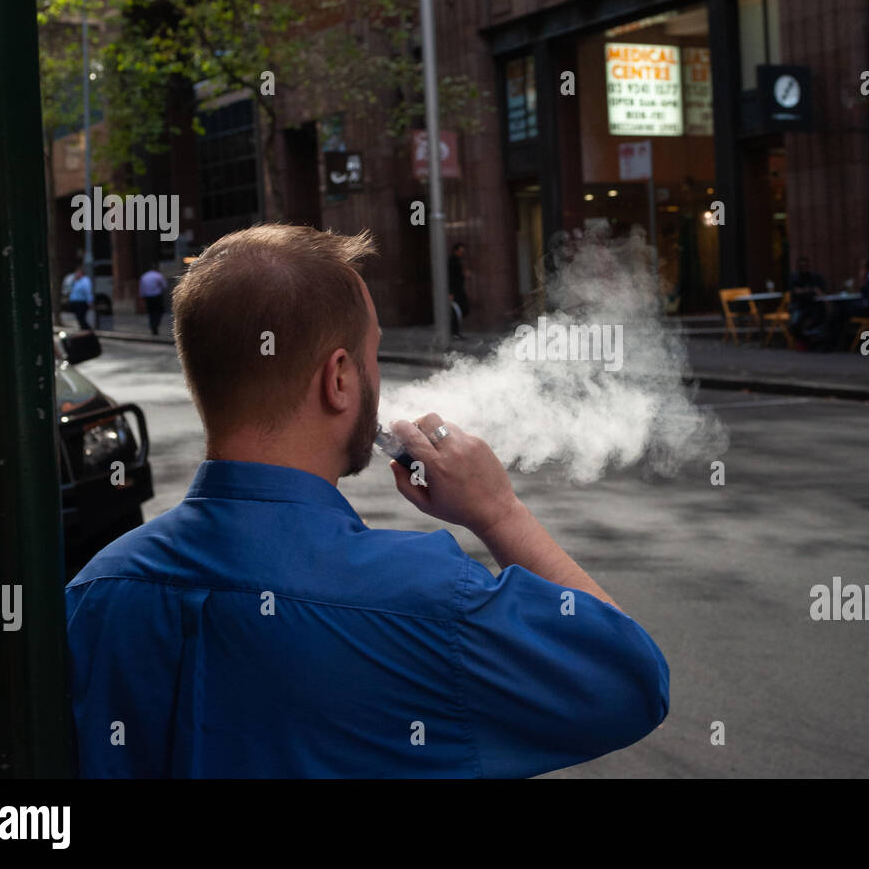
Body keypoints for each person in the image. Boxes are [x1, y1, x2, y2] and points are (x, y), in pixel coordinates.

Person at [65, 223, 668, 778]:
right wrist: (498, 509)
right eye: (372, 355)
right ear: (339, 379)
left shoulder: (91, 593)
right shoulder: (425, 598)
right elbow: (630, 680)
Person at [139, 261, 169, 335]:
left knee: (151, 312)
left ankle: (152, 324)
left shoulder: (144, 276)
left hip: (148, 296)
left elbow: (142, 288)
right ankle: (156, 324)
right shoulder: (158, 276)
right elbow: (164, 286)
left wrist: (142, 296)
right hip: (157, 296)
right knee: (159, 311)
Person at [448, 242, 470, 339]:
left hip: (459, 289)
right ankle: (454, 332)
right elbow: (451, 278)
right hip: (455, 290)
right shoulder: (452, 261)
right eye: (460, 251)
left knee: (463, 309)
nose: (462, 253)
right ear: (455, 251)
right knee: (456, 310)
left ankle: (454, 331)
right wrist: (450, 292)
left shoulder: (457, 261)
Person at [67, 263, 92, 329]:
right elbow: (69, 288)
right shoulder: (75, 281)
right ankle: (83, 330)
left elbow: (88, 291)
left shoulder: (85, 280)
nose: (76, 274)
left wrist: (90, 301)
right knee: (79, 318)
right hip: (75, 302)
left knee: (81, 318)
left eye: (78, 273)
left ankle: (87, 331)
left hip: (81, 303)